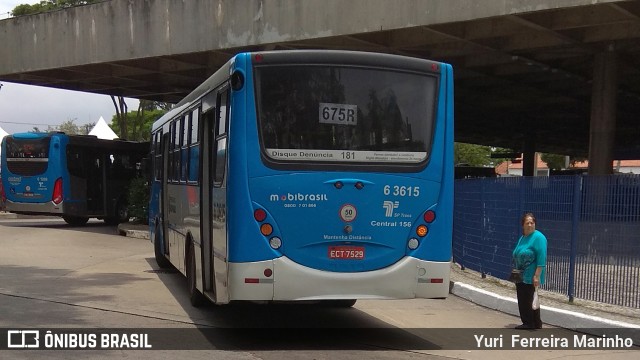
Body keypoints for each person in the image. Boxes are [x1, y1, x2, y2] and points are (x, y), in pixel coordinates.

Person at [512, 212, 547, 329]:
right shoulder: (523, 238)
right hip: (521, 273)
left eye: (532, 222)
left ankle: (528, 322)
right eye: (527, 223)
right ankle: (536, 322)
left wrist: (537, 275)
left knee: (527, 299)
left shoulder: (538, 237)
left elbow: (541, 257)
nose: (530, 225)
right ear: (523, 225)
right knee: (527, 298)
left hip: (531, 274)